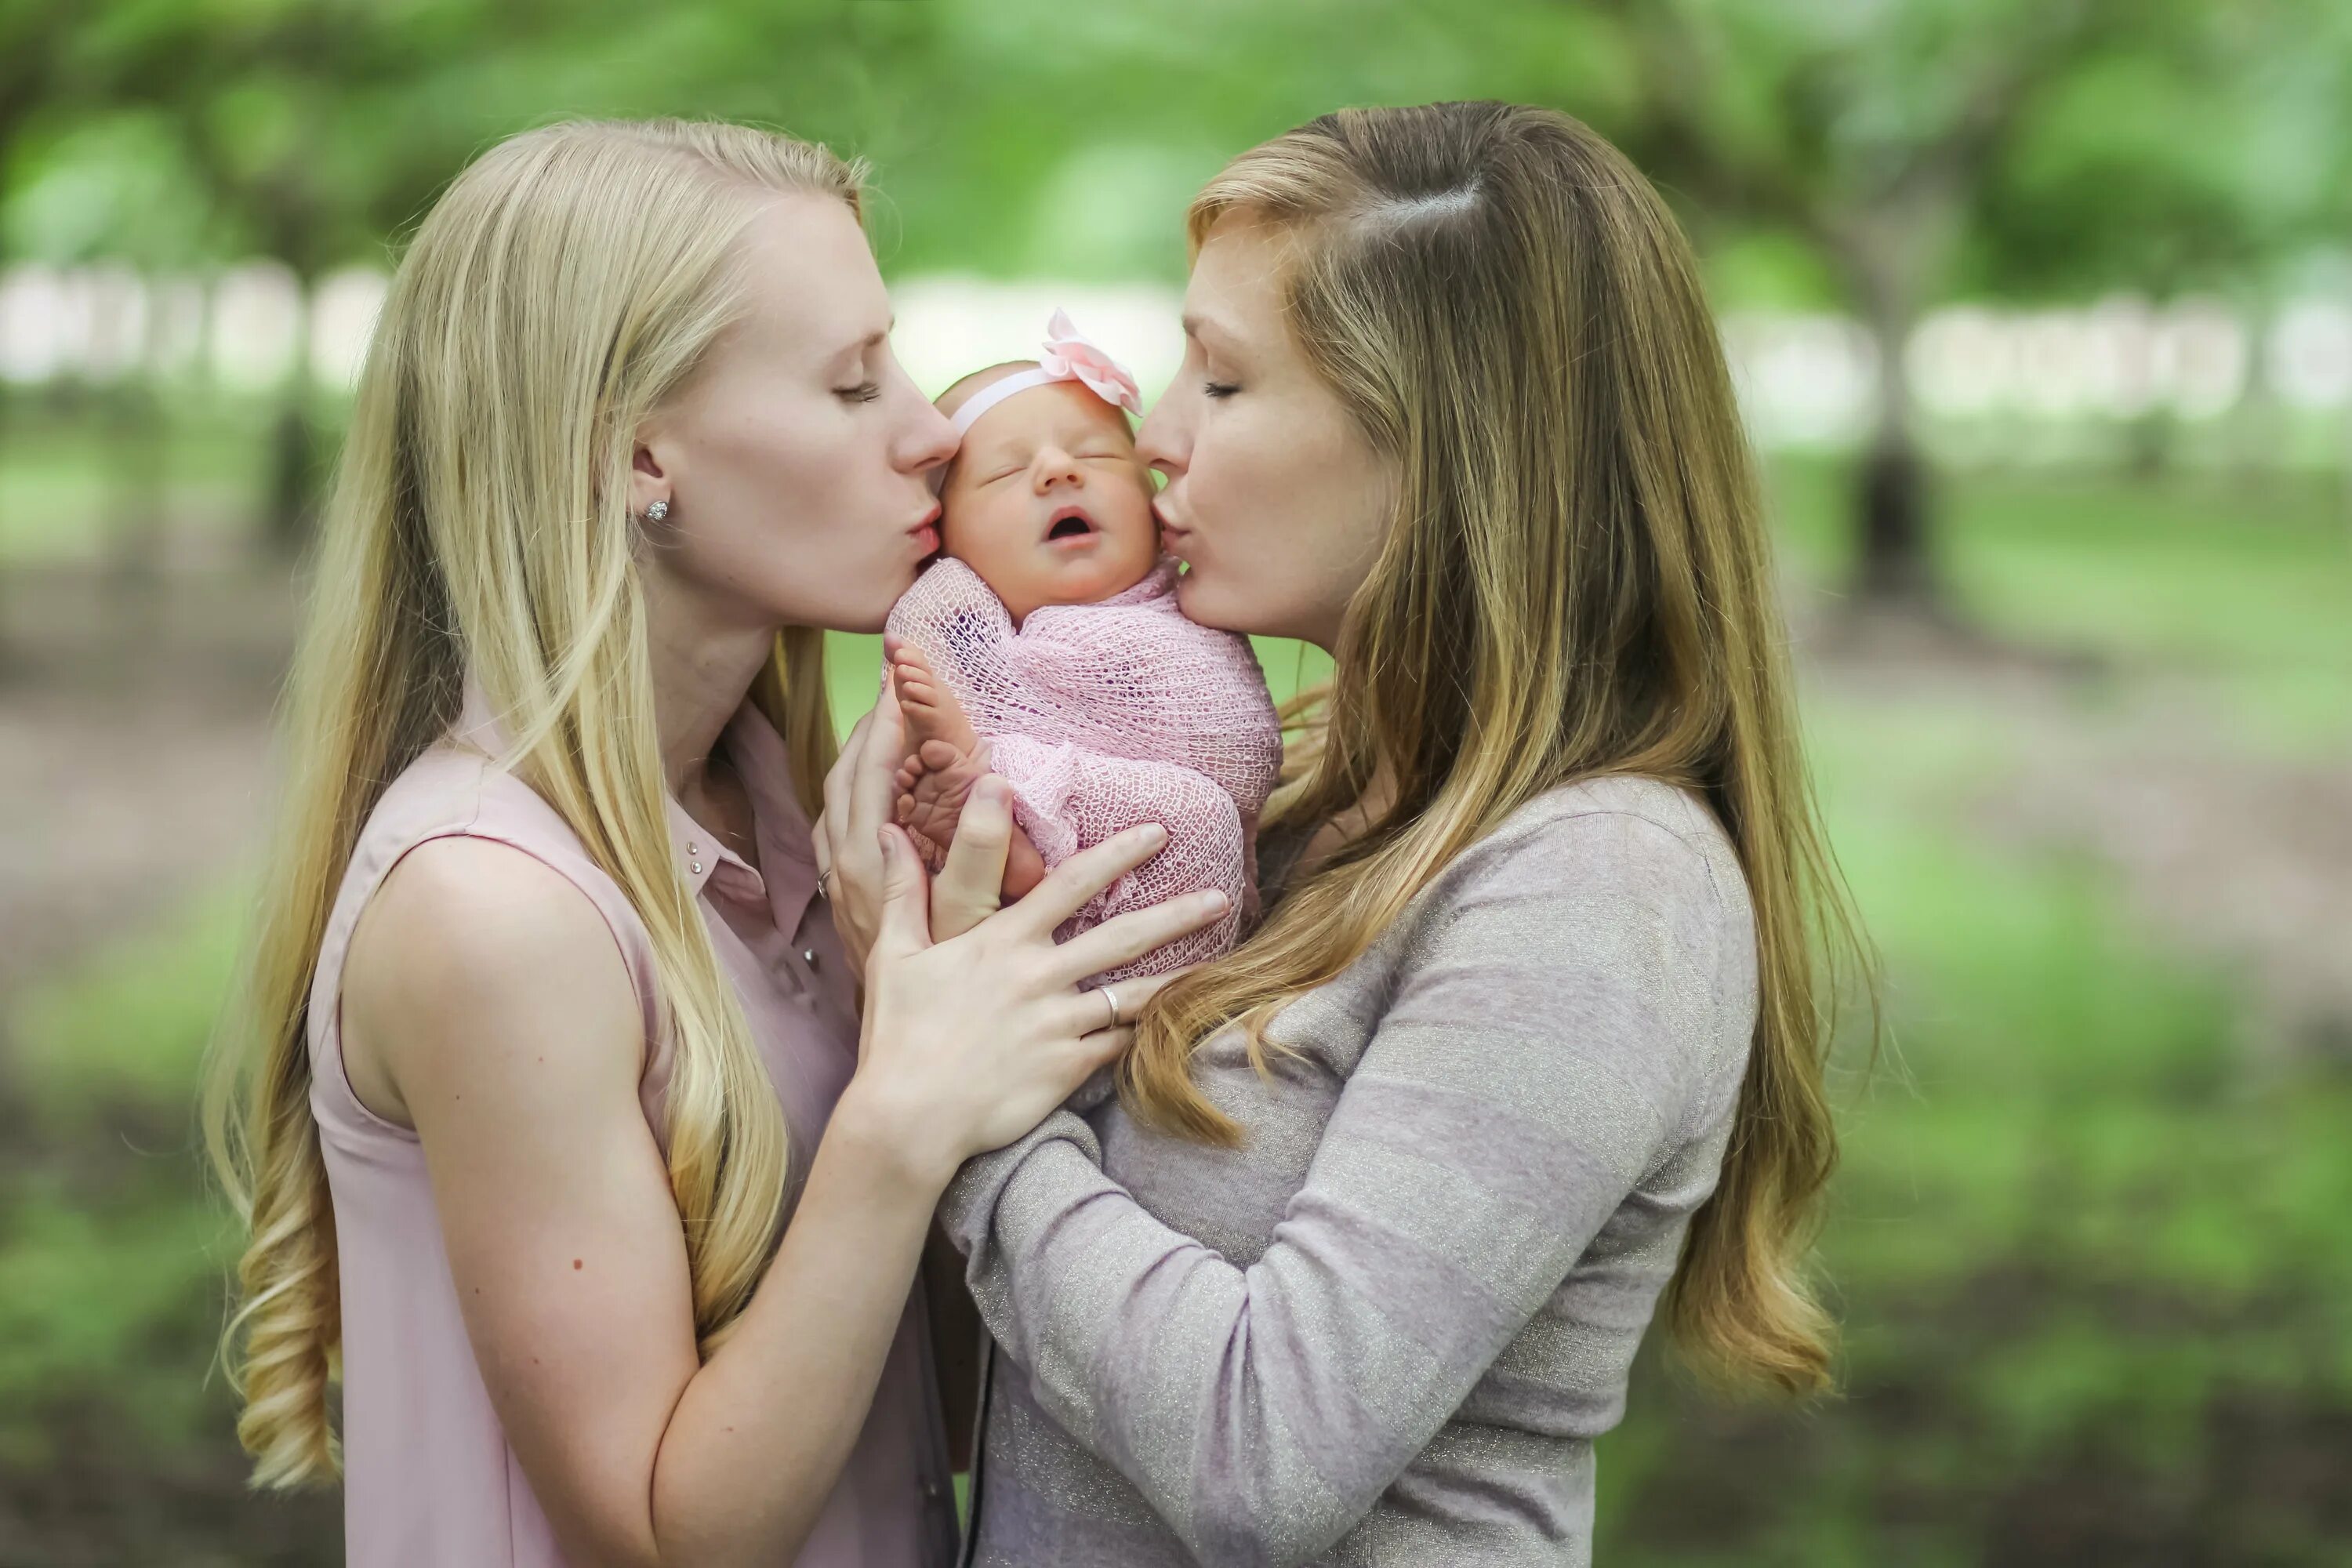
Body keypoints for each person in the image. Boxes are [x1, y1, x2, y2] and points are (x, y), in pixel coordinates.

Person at [827, 100, 1874, 1566]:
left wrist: (962, 1108)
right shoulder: (1301, 821)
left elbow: (1263, 1455)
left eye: (1227, 379)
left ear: (1445, 442)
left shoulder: (1597, 884)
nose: (1157, 438)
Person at [200, 118, 1226, 1568]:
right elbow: (664, 1535)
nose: (935, 430)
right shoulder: (495, 907)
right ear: (638, 456)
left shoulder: (798, 816)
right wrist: (906, 1099)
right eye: (851, 381)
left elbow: (917, 1412)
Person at [884, 310, 1283, 983]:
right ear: (947, 542)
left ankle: (1005, 818)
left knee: (1197, 821)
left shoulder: (1196, 606)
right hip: (1028, 936)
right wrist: (977, 759)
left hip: (1180, 900)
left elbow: (1239, 745)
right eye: (1005, 474)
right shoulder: (965, 636)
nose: (1057, 470)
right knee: (966, 759)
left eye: (1096, 455)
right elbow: (960, 694)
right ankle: (1001, 831)